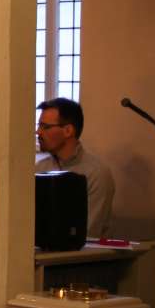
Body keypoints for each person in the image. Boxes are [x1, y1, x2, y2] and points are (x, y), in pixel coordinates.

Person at [34, 96, 116, 238]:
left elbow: (88, 231)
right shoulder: (40, 168)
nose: (38, 132)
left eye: (45, 127)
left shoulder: (96, 173)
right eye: (38, 125)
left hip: (82, 257)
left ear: (68, 131)